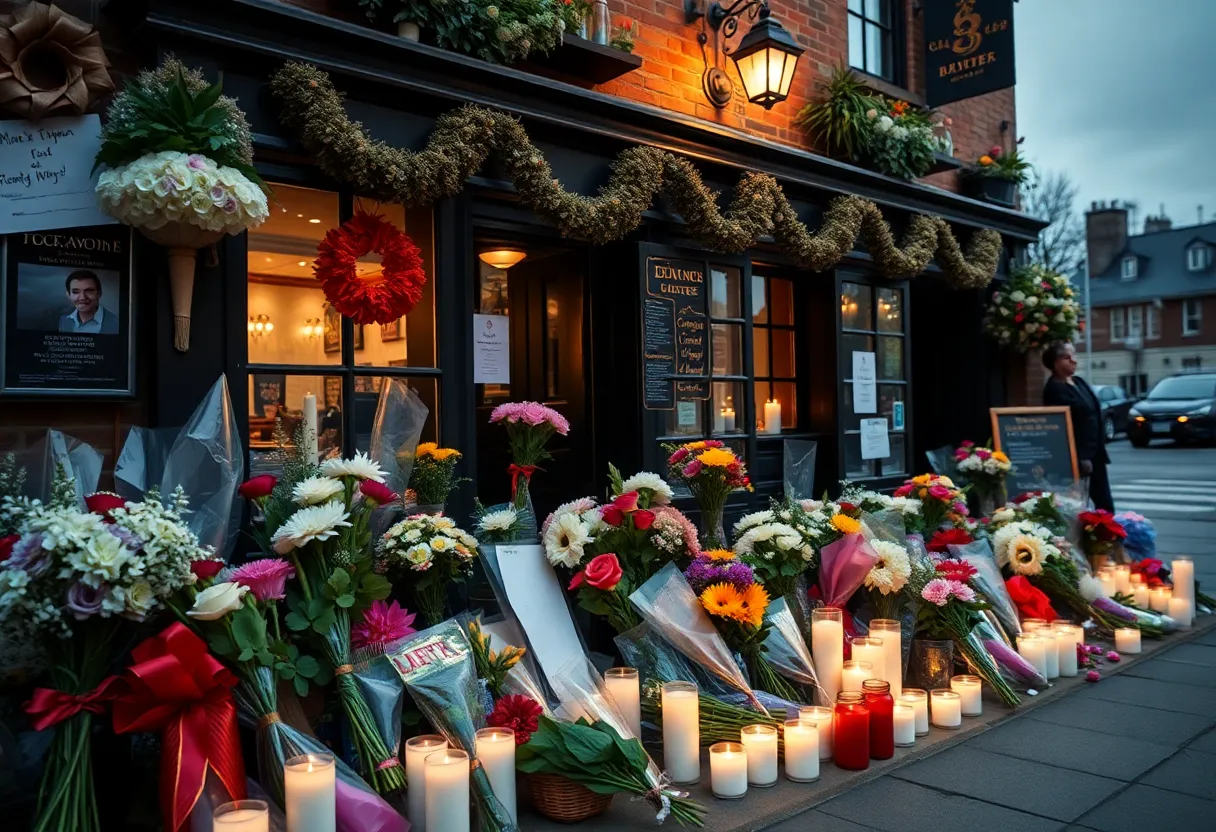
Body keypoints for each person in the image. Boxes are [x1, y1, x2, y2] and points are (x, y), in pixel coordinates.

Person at [1042, 341, 1113, 512]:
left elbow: (1093, 413)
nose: (1073, 360)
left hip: (1096, 451)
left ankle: (1108, 536)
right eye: (1067, 357)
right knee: (1078, 504)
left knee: (1105, 501)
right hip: (1079, 456)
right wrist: (1082, 456)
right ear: (1055, 362)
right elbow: (1063, 427)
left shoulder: (1079, 382)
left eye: (1074, 356)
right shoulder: (1055, 389)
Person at [58, 270, 118, 334]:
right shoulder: (64, 319)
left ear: (99, 293)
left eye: (89, 291)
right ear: (68, 295)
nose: (82, 297)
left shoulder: (116, 323)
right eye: (76, 292)